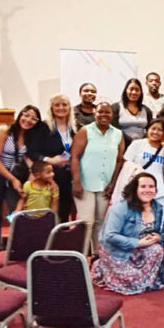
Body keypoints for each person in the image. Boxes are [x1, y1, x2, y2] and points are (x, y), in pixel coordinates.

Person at [91, 173, 164, 295]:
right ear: (135, 189)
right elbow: (109, 236)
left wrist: (157, 236)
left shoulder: (158, 208)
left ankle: (144, 281)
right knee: (129, 279)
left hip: (141, 249)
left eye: (151, 186)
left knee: (157, 250)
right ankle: (101, 266)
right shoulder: (121, 208)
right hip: (118, 251)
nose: (147, 190)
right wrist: (137, 243)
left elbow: (157, 231)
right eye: (143, 186)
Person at [0, 105, 42, 250]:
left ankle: (17, 247)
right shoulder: (4, 131)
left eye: (34, 118)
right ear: (20, 115)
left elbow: (28, 159)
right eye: (26, 115)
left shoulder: (30, 137)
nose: (28, 120)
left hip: (14, 177)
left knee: (16, 212)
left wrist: (34, 175)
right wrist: (12, 179)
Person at [71, 102, 125, 255]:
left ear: (112, 115)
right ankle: (80, 256)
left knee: (100, 222)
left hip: (105, 184)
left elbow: (119, 160)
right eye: (100, 112)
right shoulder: (85, 131)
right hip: (84, 183)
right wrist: (76, 181)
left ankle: (96, 255)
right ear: (95, 113)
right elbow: (75, 157)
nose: (104, 115)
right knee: (86, 222)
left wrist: (113, 183)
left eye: (107, 112)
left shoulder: (118, 134)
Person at [26, 93, 76, 222]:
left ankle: (62, 238)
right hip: (49, 176)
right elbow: (32, 151)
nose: (61, 107)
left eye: (64, 104)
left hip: (68, 176)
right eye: (57, 105)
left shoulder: (75, 128)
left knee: (65, 211)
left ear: (69, 107)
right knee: (49, 214)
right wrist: (50, 160)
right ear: (51, 108)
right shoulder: (43, 127)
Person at [122, 118, 164, 206]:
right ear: (147, 130)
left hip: (158, 190)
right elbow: (126, 164)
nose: (156, 132)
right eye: (153, 128)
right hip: (137, 187)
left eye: (159, 130)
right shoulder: (137, 144)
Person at [111, 78, 153, 144]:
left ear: (141, 92)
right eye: (131, 89)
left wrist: (141, 142)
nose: (134, 92)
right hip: (121, 144)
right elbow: (114, 129)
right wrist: (130, 141)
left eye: (137, 90)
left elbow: (150, 129)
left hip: (142, 145)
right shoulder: (116, 108)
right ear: (126, 90)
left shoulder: (146, 110)